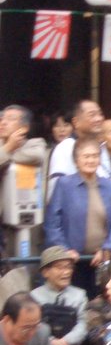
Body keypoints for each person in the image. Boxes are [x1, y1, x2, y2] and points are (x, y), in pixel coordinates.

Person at [44, 138, 111, 296]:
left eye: (95, 156)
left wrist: (108, 248)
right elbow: (52, 223)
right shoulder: (64, 184)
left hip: (101, 259)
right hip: (71, 261)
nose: (91, 160)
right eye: (86, 156)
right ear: (76, 160)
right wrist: (64, 250)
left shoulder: (110, 186)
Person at [31, 246, 99, 345]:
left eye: (68, 267)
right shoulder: (34, 297)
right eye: (60, 267)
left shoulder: (79, 295)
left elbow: (83, 324)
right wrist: (52, 342)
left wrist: (66, 342)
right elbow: (35, 326)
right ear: (45, 272)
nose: (66, 272)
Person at [0, 106, 48, 253]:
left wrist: (8, 153)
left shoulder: (35, 143)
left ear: (24, 127)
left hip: (26, 218)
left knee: (24, 263)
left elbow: (37, 156)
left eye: (11, 119)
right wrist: (8, 147)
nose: (3, 123)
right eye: (2, 118)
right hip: (2, 219)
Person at [48, 99, 111, 190]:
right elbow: (57, 190)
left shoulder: (101, 147)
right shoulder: (65, 148)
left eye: (100, 114)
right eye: (92, 115)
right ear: (76, 122)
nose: (98, 119)